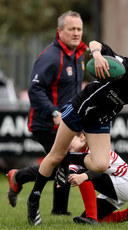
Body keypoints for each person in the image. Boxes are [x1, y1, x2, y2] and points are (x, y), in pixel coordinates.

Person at [27, 40, 128, 225]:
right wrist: (97, 55)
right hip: (80, 109)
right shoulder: (124, 67)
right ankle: (34, 199)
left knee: (100, 164)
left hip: (100, 120)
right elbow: (94, 43)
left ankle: (67, 160)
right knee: (55, 155)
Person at [7, 10, 87, 216]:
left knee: (64, 162)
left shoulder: (78, 55)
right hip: (45, 123)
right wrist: (54, 113)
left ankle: (56, 208)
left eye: (79, 29)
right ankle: (23, 181)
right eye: (72, 29)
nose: (76, 33)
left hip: (67, 123)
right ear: (60, 32)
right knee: (62, 161)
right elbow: (34, 89)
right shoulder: (51, 57)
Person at [61, 132, 128, 225]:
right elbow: (71, 172)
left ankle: (91, 218)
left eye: (69, 140)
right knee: (84, 220)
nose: (66, 144)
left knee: (82, 174)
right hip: (115, 184)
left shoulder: (96, 150)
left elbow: (101, 169)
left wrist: (83, 176)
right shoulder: (78, 155)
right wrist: (63, 178)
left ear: (81, 137)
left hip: (127, 183)